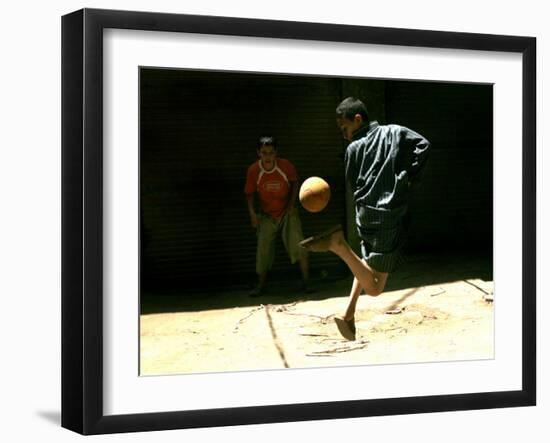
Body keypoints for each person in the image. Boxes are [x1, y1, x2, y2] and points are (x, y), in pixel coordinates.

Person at [300, 97, 430, 340]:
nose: (345, 135)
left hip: (365, 216)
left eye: (345, 129)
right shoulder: (394, 132)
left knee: (366, 265)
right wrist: (409, 177)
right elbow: (424, 145)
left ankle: (348, 314)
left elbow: (352, 183)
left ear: (357, 119)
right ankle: (338, 245)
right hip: (388, 215)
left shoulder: (352, 149)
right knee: (375, 287)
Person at [244, 136, 312, 297]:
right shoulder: (254, 170)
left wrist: (292, 205)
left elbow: (295, 182)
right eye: (264, 153)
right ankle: (260, 286)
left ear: (276, 153)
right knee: (263, 251)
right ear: (258, 153)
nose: (267, 156)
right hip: (267, 216)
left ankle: (307, 283)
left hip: (287, 213)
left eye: (271, 153)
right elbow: (249, 193)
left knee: (300, 245)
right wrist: (252, 214)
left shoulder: (285, 166)